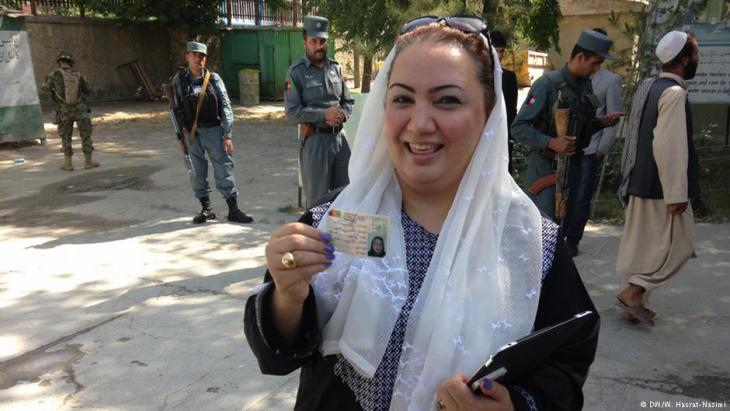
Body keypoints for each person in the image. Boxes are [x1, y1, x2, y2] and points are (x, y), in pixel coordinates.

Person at [245, 16, 599, 411]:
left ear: (488, 114)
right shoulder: (334, 218)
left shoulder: (531, 244)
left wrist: (515, 405)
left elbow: (567, 364)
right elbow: (278, 355)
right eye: (402, 99)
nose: (420, 122)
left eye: (447, 99)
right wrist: (288, 295)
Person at [511, 29, 623, 256]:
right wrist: (551, 142)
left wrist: (601, 123)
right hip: (545, 168)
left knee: (562, 231)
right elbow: (518, 128)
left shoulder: (585, 86)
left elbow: (580, 127)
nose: (596, 69)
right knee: (542, 233)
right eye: (595, 63)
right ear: (580, 57)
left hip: (573, 167)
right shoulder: (547, 85)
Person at [615, 30, 700, 326]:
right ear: (685, 59)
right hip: (661, 189)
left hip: (638, 182)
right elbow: (669, 144)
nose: (697, 59)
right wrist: (677, 193)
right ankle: (633, 292)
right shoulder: (674, 94)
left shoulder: (648, 86)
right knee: (681, 245)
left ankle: (633, 307)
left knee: (642, 248)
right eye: (696, 54)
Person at [171, 41, 253, 224]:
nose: (198, 59)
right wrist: (181, 133)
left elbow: (225, 106)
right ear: (187, 57)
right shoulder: (179, 81)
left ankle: (233, 210)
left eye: (201, 56)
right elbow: (176, 107)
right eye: (194, 55)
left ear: (205, 59)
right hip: (192, 134)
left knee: (224, 168)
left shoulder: (214, 79)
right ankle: (206, 209)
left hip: (214, 130)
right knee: (196, 171)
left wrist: (227, 135)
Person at [563, 28, 623, 256]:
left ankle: (573, 239)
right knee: (564, 196)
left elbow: (613, 114)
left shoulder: (611, 80)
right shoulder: (572, 78)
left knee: (581, 197)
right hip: (568, 149)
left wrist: (602, 149)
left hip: (591, 148)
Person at [284, 15, 354, 208]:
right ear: (305, 42)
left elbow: (348, 100)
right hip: (316, 142)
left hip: (340, 141)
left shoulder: (335, 68)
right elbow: (291, 111)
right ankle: (316, 238)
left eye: (322, 41)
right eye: (314, 41)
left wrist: (342, 115)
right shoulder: (296, 72)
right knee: (317, 203)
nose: (319, 46)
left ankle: (340, 238)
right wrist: (323, 115)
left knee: (346, 197)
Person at [43, 51, 99, 171]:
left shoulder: (53, 75)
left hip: (64, 112)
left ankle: (68, 164)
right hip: (81, 110)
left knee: (66, 137)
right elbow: (88, 91)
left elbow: (44, 89)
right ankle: (88, 162)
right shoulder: (79, 75)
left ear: (59, 62)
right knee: (86, 136)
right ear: (71, 63)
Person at [490, 31, 519, 174]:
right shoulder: (477, 77)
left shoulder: (509, 77)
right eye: (496, 50)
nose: (500, 55)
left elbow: (512, 109)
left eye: (502, 51)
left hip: (503, 138)